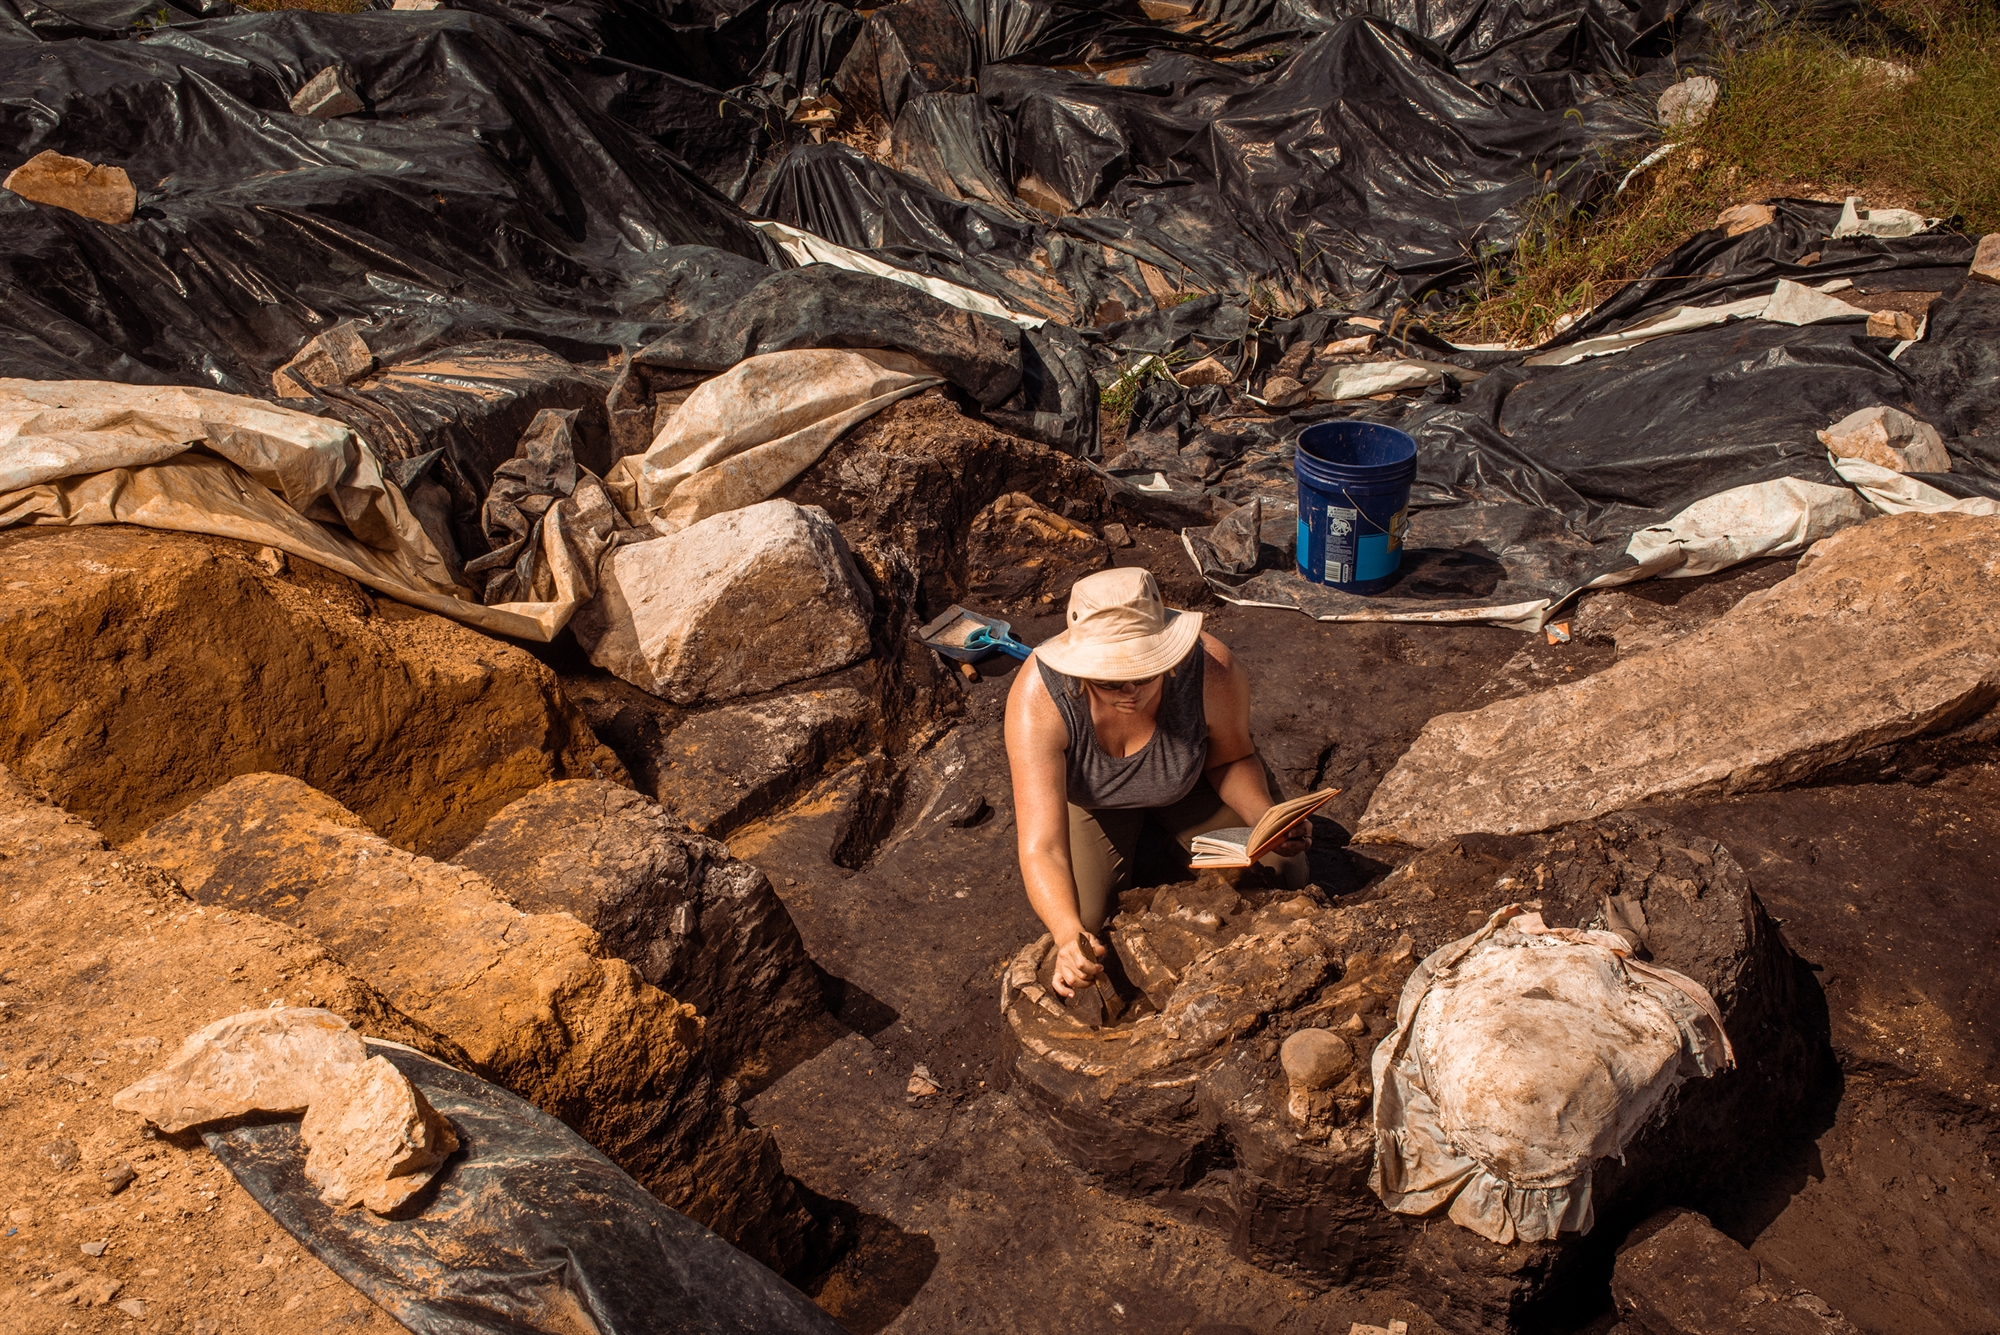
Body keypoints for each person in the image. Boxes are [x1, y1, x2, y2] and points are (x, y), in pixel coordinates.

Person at [1005, 566, 1311, 1000]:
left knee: (1283, 871)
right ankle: (1150, 846)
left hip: (1191, 784)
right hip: (1096, 802)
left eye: (1145, 673)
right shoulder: (1040, 697)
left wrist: (1266, 818)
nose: (1129, 691)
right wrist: (1065, 932)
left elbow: (1233, 757)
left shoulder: (1211, 668)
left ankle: (1164, 840)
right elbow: (1042, 845)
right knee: (1085, 922)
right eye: (1109, 680)